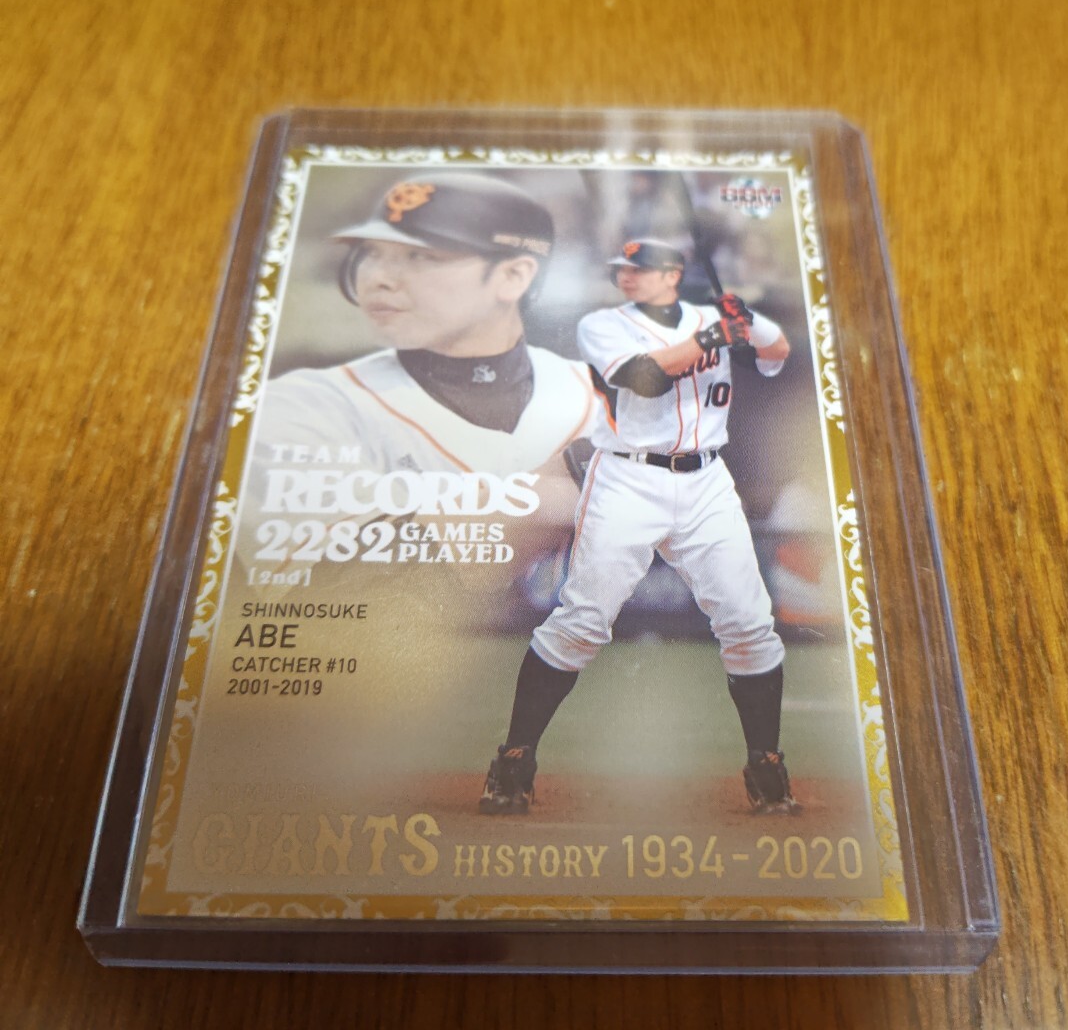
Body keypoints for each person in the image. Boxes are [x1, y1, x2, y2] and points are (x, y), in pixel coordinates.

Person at [479, 238, 800, 816]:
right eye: (621, 270)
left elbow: (778, 352)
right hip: (628, 480)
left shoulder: (712, 318)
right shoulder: (603, 325)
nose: (626, 277)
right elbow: (646, 378)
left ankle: (766, 764)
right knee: (582, 621)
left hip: (706, 480)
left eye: (639, 269)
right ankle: (514, 759)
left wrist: (747, 323)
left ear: (672, 274)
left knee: (750, 624)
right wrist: (715, 336)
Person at [245, 172, 596, 570]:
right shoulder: (304, 406)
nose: (377, 278)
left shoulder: (602, 395)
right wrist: (571, 481)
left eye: (421, 256)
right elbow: (344, 586)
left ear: (513, 276)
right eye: (371, 253)